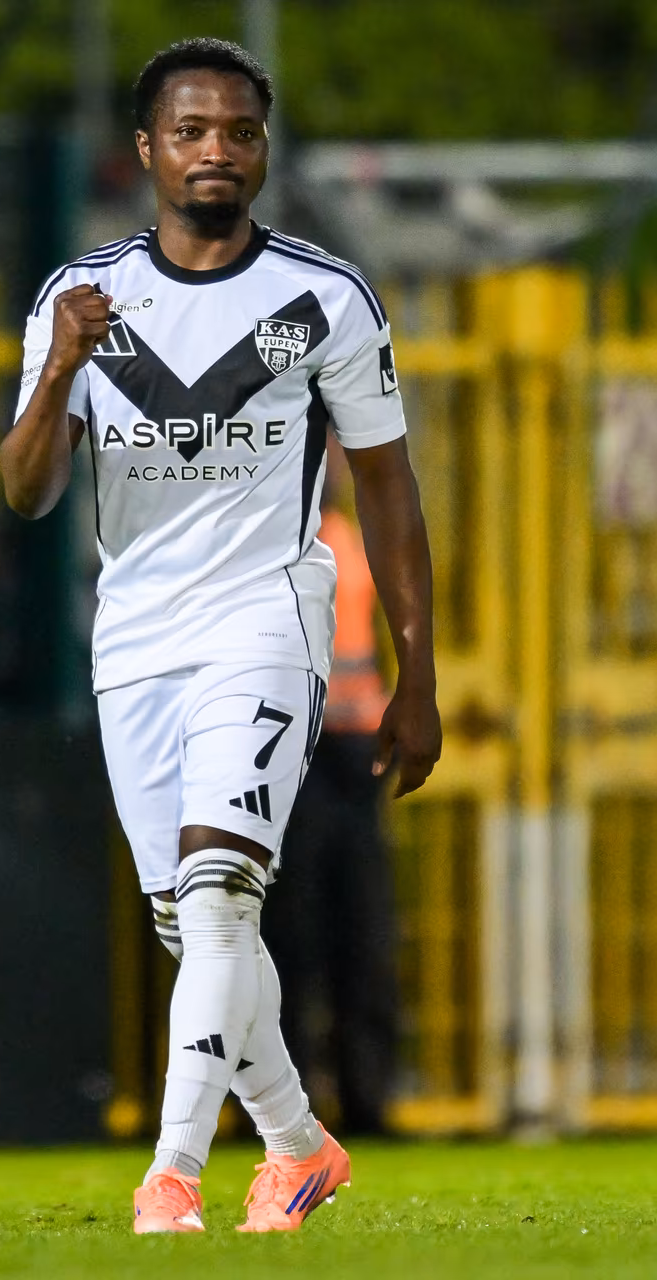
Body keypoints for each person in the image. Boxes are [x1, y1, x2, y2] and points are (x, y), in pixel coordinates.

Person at [0, 38, 441, 1235]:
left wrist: (417, 673)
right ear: (147, 149)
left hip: (267, 619)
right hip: (136, 637)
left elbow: (390, 494)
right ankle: (299, 1144)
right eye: (190, 130)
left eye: (237, 132)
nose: (214, 151)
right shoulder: (77, 301)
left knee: (220, 892)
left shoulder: (324, 299)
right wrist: (59, 379)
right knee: (195, 923)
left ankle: (172, 1171)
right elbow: (24, 489)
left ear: (262, 148)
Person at [263, 439, 398, 1136]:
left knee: (361, 936)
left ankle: (367, 1104)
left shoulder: (349, 540)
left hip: (348, 760)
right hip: (291, 761)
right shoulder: (268, 545)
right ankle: (280, 1112)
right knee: (290, 944)